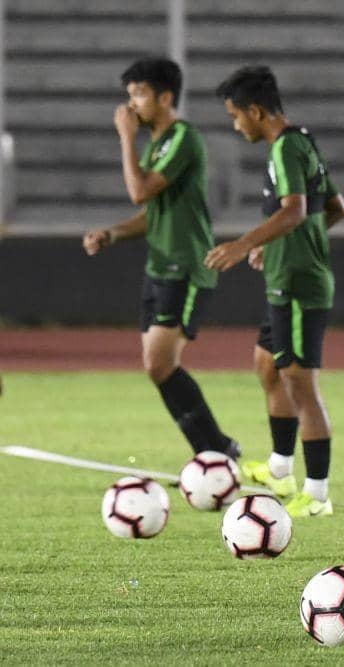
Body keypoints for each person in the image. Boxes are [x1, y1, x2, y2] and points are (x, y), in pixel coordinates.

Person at [207, 66, 344, 519]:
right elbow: (335, 209)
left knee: (300, 383)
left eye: (235, 116)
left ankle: (318, 493)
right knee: (267, 367)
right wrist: (284, 246)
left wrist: (246, 243)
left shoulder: (287, 147)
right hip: (284, 278)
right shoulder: (301, 140)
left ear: (255, 110)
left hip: (298, 288)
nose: (236, 125)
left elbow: (294, 211)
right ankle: (280, 468)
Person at [83, 57, 238, 461]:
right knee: (156, 367)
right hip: (159, 266)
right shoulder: (158, 143)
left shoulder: (182, 137)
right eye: (128, 95)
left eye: (139, 93)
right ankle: (213, 453)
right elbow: (150, 212)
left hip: (185, 266)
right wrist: (113, 233)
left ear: (165, 96)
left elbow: (141, 191)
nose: (131, 104)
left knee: (159, 363)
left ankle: (217, 451)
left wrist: (124, 138)